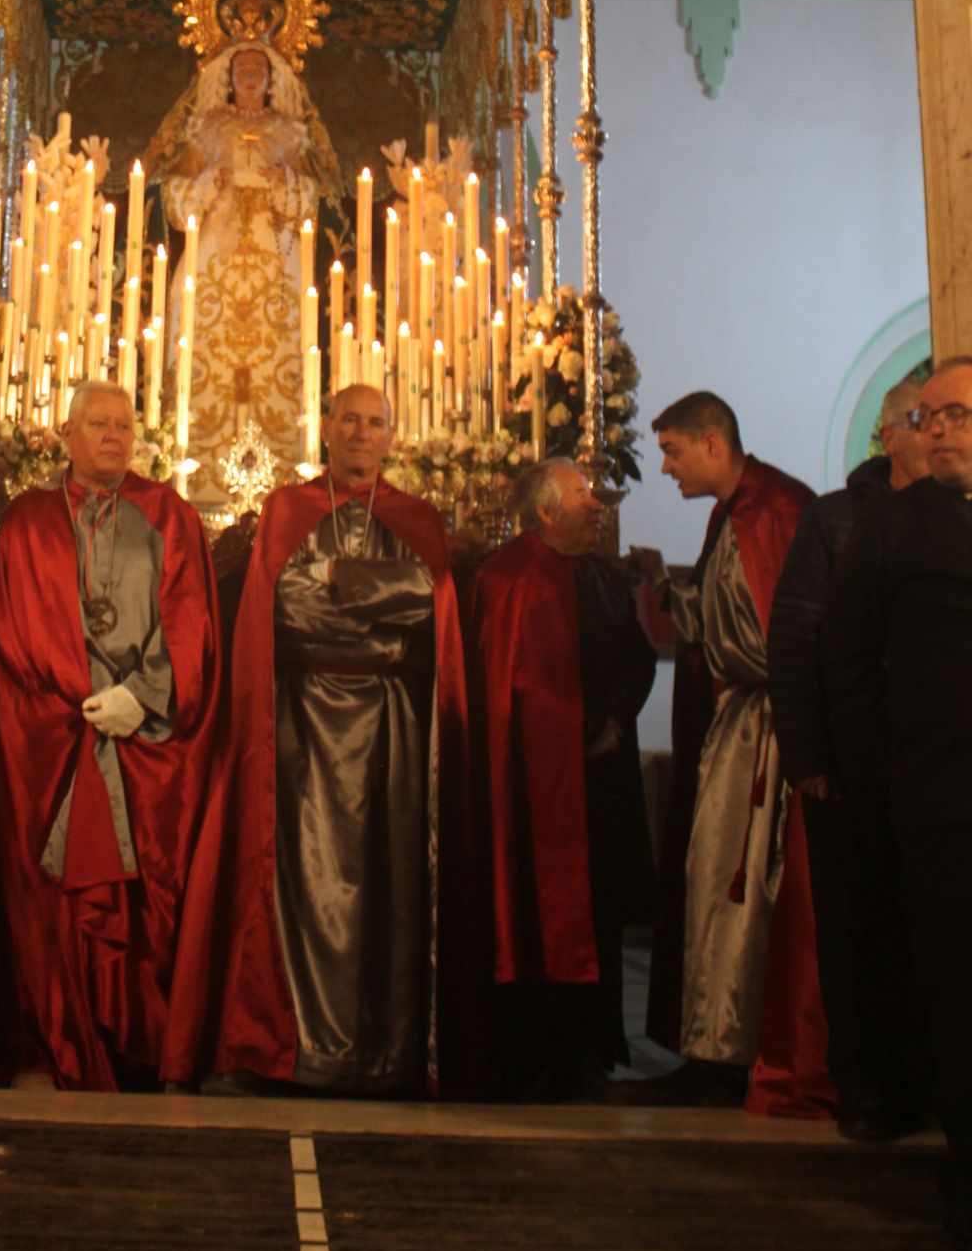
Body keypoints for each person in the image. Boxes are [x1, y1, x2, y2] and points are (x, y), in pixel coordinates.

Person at [165, 383, 473, 1097]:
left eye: (377, 423)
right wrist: (379, 605)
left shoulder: (415, 517)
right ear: (326, 429)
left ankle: (384, 1055)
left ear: (393, 438)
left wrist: (338, 578)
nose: (363, 434)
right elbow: (288, 608)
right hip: (304, 730)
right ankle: (293, 1049)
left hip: (392, 732)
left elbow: (430, 605)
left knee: (387, 888)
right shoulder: (287, 511)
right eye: (351, 421)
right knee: (301, 887)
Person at [0, 379, 220, 1089]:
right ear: (66, 434)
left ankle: (144, 1050)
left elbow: (190, 620)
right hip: (57, 732)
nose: (115, 436)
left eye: (125, 424)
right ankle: (62, 1043)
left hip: (147, 737)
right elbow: (15, 626)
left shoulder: (169, 514)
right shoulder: (28, 518)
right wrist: (87, 699)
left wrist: (140, 698)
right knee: (54, 900)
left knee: (146, 898)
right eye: (99, 424)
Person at [630, 391, 828, 1115]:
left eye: (674, 451)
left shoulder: (772, 513)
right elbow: (719, 625)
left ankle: (730, 1053)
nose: (667, 467)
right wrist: (659, 584)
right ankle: (712, 1046)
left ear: (713, 443)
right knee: (712, 880)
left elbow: (778, 639)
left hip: (766, 734)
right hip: (739, 725)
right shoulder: (729, 515)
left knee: (738, 888)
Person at [826, 358, 972, 1250]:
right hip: (940, 797)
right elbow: (845, 658)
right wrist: (888, 764)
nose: (941, 429)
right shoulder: (890, 530)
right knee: (955, 992)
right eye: (930, 416)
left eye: (958, 414)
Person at [768, 379, 930, 1138]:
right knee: (857, 933)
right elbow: (796, 639)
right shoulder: (836, 520)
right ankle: (865, 1088)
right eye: (922, 421)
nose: (936, 436)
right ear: (888, 435)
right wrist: (808, 755)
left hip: (934, 766)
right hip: (851, 769)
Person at [471, 458, 656, 1098]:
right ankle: (534, 1057)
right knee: (529, 906)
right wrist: (576, 729)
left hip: (595, 780)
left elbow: (634, 658)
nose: (597, 505)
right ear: (546, 511)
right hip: (530, 786)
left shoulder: (599, 578)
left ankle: (591, 1049)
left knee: (596, 907)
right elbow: (508, 683)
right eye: (582, 495)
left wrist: (609, 719)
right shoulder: (507, 578)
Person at [150, 35, 340, 492]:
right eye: (243, 70)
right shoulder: (206, 130)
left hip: (276, 267)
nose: (251, 76)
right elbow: (173, 195)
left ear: (273, 79)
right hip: (213, 264)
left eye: (260, 69)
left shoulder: (289, 132)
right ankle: (195, 483)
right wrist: (208, 183)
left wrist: (286, 183)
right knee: (203, 357)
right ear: (229, 79)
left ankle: (284, 483)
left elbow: (315, 198)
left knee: (280, 361)